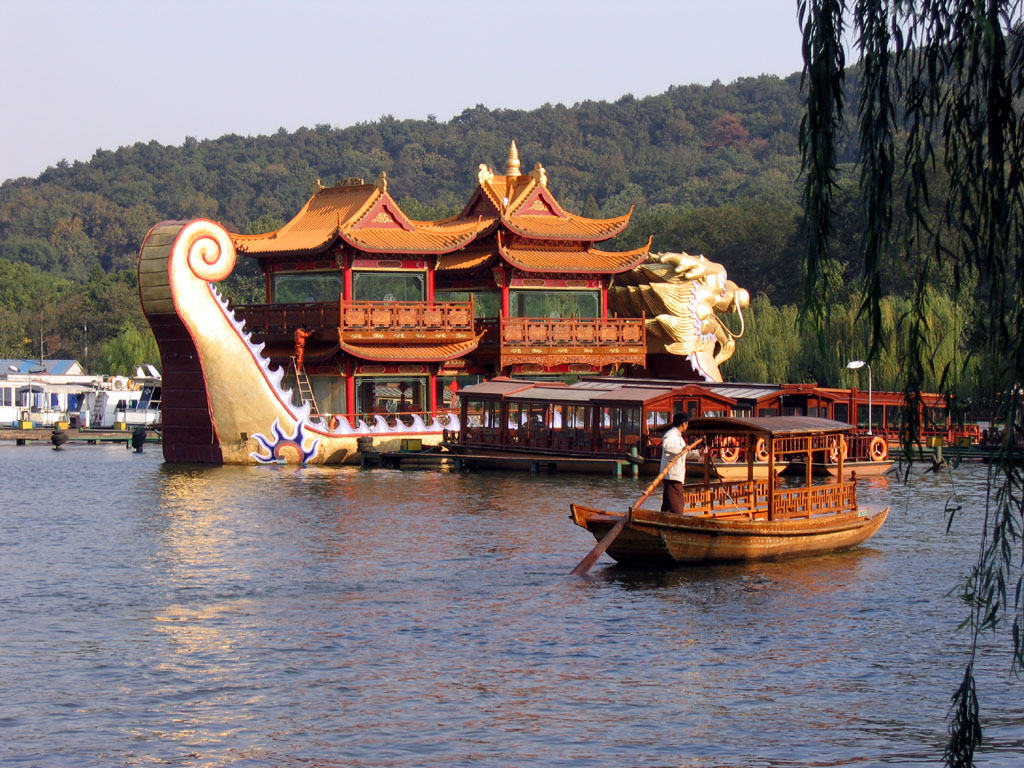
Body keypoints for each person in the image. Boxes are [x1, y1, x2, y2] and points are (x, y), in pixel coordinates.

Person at [660, 412, 689, 514]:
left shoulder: (679, 438)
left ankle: (662, 522)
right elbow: (666, 447)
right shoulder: (670, 434)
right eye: (687, 423)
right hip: (672, 475)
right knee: (677, 504)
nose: (687, 426)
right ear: (683, 424)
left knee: (668, 504)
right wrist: (682, 449)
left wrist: (698, 453)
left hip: (676, 475)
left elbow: (684, 453)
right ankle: (679, 523)